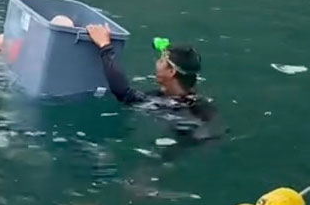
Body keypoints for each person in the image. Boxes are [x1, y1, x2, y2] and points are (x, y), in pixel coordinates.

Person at [86, 24, 220, 139]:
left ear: (171, 72)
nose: (157, 63)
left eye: (161, 61)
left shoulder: (167, 104)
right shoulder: (196, 101)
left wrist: (105, 46)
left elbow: (123, 93)